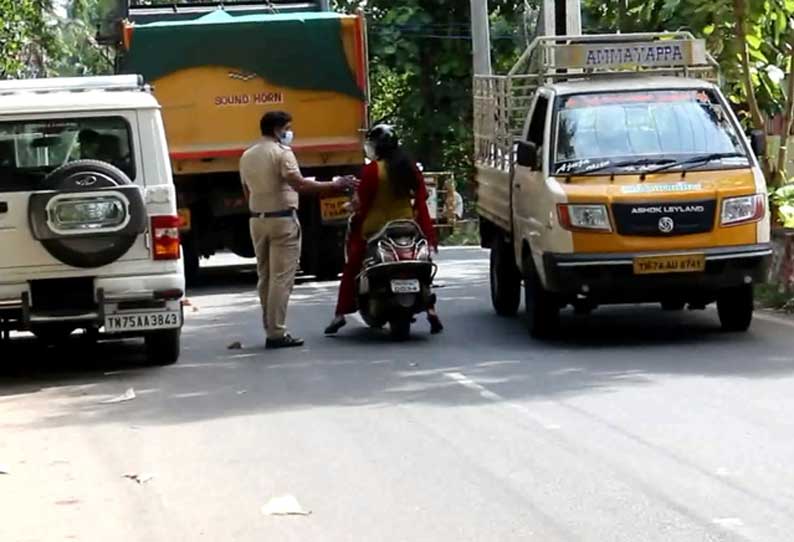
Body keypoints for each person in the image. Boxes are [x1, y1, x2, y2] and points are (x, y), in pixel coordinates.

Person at [240, 111, 356, 349]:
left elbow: (247, 192)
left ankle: (270, 326)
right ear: (277, 130)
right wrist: (335, 185)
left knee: (265, 277)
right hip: (282, 220)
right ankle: (276, 333)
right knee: (281, 279)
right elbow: (300, 184)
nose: (289, 133)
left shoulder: (246, 156)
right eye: (287, 128)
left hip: (257, 221)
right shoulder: (282, 154)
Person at [324, 125, 443, 335]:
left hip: (375, 228)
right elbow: (422, 196)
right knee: (422, 265)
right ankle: (431, 310)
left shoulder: (372, 170)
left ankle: (340, 314)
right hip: (407, 225)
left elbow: (361, 202)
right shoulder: (409, 166)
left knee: (353, 265)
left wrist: (349, 206)